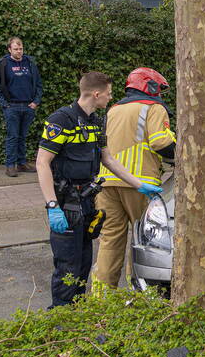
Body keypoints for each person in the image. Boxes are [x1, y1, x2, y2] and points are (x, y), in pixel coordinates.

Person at [35, 71, 163, 307]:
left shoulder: (96, 122)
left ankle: (80, 313)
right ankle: (60, 317)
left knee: (83, 263)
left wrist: (140, 185)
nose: (110, 98)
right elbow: (42, 162)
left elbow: (108, 160)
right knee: (68, 266)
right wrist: (52, 205)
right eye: (108, 93)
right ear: (96, 94)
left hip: (86, 201)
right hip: (66, 203)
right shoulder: (61, 120)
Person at [91, 68, 175, 293]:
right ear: (151, 87)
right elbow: (160, 142)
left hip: (107, 182)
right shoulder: (153, 108)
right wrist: (181, 156)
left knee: (110, 240)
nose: (160, 95)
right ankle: (138, 297)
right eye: (159, 89)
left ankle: (102, 297)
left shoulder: (113, 109)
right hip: (140, 184)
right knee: (143, 240)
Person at [0, 37, 43, 177]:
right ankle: (10, 166)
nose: (19, 51)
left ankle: (21, 164)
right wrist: (5, 105)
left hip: (28, 107)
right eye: (16, 49)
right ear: (9, 49)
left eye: (21, 49)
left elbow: (38, 84)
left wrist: (35, 102)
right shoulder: (3, 64)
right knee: (13, 137)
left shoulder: (30, 63)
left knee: (22, 137)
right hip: (12, 107)